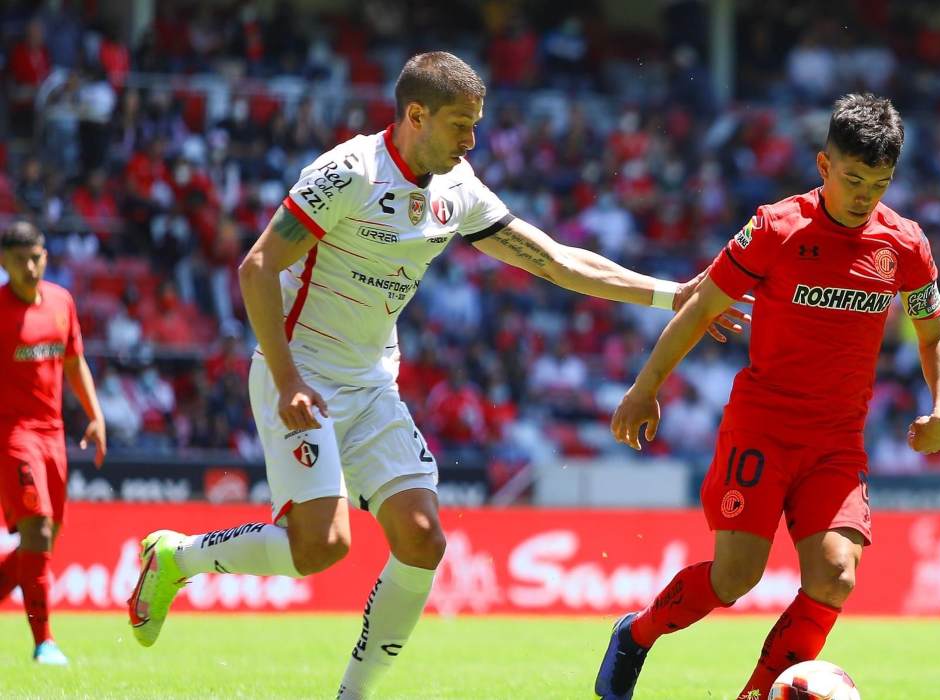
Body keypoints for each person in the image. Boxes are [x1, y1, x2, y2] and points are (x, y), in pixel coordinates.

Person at [125, 51, 746, 698]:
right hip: (301, 374)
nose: (471, 140)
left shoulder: (458, 189)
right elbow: (257, 267)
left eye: (476, 125)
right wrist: (287, 382)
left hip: (371, 384)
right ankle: (177, 558)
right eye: (460, 125)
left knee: (423, 538)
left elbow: (556, 261)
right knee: (319, 548)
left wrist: (673, 295)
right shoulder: (349, 173)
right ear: (415, 115)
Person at [595, 93, 940, 700]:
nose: (865, 196)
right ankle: (636, 633)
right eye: (853, 179)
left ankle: (755, 697)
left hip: (837, 442)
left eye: (879, 183)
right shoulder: (776, 227)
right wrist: (645, 387)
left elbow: (934, 334)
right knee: (735, 577)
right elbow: (702, 307)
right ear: (824, 165)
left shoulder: (905, 245)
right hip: (762, 428)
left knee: (836, 575)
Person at [0, 221, 107, 665]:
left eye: (36, 258)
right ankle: (44, 641)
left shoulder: (62, 301)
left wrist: (95, 415)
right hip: (12, 435)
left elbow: (75, 361)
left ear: (45, 255)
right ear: (4, 263)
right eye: (19, 260)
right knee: (38, 530)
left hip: (54, 434)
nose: (30, 267)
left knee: (46, 537)